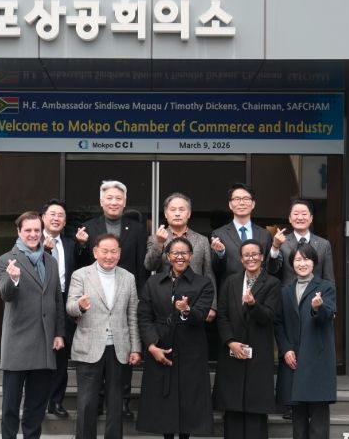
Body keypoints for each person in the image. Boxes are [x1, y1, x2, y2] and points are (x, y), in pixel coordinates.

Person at [137, 237, 215, 439]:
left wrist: (187, 310)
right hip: (161, 345)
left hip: (191, 348)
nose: (179, 257)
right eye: (175, 253)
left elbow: (201, 315)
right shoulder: (153, 282)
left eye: (184, 253)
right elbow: (144, 316)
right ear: (168, 256)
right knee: (165, 399)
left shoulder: (203, 283)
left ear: (191, 256)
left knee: (188, 399)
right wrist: (152, 346)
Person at [0, 211, 65, 439]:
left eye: (37, 230)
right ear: (19, 232)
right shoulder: (6, 260)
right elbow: (6, 295)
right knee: (11, 404)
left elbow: (57, 300)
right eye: (28, 230)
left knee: (37, 403)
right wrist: (13, 278)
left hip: (45, 342)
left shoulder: (51, 261)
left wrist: (59, 333)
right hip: (17, 343)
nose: (34, 234)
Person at [66, 233, 142, 439]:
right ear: (95, 252)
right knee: (86, 403)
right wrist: (79, 306)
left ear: (119, 253)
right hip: (89, 347)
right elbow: (69, 306)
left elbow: (132, 315)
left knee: (116, 403)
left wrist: (136, 347)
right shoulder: (81, 275)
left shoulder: (128, 277)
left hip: (119, 348)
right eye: (105, 251)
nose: (109, 256)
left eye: (113, 252)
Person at [76, 180, 148, 419]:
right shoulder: (88, 227)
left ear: (125, 202)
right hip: (95, 299)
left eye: (118, 198)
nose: (114, 202)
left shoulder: (136, 228)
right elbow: (80, 265)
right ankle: (96, 401)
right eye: (109, 198)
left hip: (125, 296)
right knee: (96, 350)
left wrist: (139, 298)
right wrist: (81, 246)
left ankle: (122, 402)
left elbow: (141, 266)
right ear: (101, 201)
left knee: (122, 348)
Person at [212, 240, 281, 439]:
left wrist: (253, 304)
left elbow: (269, 316)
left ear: (262, 257)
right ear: (241, 259)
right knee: (233, 406)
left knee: (255, 406)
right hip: (232, 350)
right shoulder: (230, 281)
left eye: (255, 254)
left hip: (258, 352)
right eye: (246, 255)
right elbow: (222, 315)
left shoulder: (272, 283)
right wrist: (230, 341)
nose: (250, 258)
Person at [274, 243, 337, 439]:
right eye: (298, 260)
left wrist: (318, 308)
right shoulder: (286, 291)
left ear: (314, 263)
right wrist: (285, 349)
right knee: (298, 411)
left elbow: (328, 315)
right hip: (294, 357)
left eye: (306, 259)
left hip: (318, 357)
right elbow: (279, 323)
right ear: (292, 264)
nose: (302, 263)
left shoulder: (325, 287)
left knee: (318, 411)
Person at [144, 192, 217, 321]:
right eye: (173, 210)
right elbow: (150, 266)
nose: (177, 213)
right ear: (166, 214)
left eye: (181, 209)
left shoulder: (202, 240)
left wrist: (212, 305)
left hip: (196, 300)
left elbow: (208, 273)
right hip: (165, 300)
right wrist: (159, 243)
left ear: (189, 213)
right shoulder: (156, 238)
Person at [41, 199, 78, 418]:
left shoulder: (70, 244)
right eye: (52, 214)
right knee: (40, 353)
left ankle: (56, 401)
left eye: (60, 215)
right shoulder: (32, 240)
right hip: (40, 300)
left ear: (65, 222)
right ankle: (39, 400)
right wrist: (44, 251)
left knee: (61, 354)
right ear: (43, 217)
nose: (56, 218)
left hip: (64, 299)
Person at [210, 183, 272, 288]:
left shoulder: (265, 234)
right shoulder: (219, 234)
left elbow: (270, 267)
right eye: (237, 199)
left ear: (253, 204)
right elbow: (215, 269)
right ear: (230, 205)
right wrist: (220, 253)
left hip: (260, 289)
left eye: (246, 199)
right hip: (231, 289)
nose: (241, 203)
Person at [267, 199, 335, 286]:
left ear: (311, 218)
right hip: (289, 293)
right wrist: (275, 246)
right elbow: (272, 270)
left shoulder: (324, 244)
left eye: (304, 214)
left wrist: (328, 294)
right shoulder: (281, 242)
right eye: (296, 214)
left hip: (316, 293)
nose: (300, 218)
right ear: (290, 219)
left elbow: (328, 278)